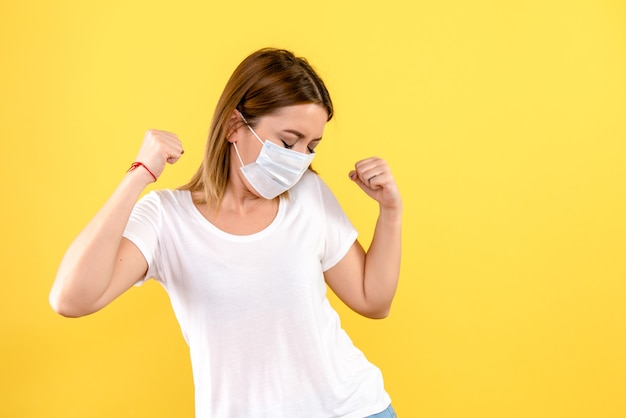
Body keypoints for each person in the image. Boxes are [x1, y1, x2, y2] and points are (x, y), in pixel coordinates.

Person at [50, 48, 402, 418]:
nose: (299, 159)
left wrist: (390, 212)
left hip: (352, 410)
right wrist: (139, 173)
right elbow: (71, 299)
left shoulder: (308, 195)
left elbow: (372, 300)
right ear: (235, 126)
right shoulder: (166, 218)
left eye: (310, 147)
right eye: (288, 142)